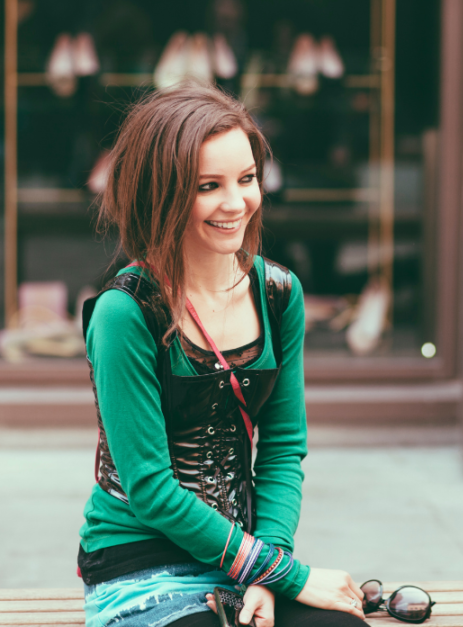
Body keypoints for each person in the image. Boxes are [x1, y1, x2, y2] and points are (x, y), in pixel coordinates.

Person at [77, 82, 368, 627]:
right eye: (209, 186)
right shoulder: (126, 314)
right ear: (160, 192)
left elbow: (283, 448)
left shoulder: (280, 294)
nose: (236, 203)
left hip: (244, 560)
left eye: (247, 178)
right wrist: (291, 576)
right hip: (140, 567)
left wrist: (270, 569)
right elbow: (152, 492)